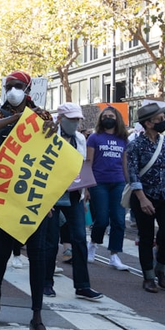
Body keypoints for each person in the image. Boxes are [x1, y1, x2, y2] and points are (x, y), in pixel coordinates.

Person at [0, 70, 56, 330]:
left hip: (33, 194)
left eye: (17, 86)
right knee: (3, 252)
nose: (13, 90)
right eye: (8, 86)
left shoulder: (42, 114)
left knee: (38, 254)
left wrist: (49, 197)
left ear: (28, 87)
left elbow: (51, 153)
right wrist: (14, 118)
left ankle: (37, 317)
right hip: (6, 192)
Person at [44, 104, 104, 301]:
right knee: (51, 241)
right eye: (72, 119)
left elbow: (83, 166)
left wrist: (85, 191)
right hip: (51, 196)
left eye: (78, 120)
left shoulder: (80, 138)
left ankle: (82, 286)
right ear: (59, 119)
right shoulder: (47, 136)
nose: (76, 123)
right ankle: (46, 283)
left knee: (79, 239)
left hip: (74, 195)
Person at [126, 103, 165, 292]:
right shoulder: (135, 145)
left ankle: (161, 269)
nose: (163, 122)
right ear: (148, 123)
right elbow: (132, 174)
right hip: (145, 197)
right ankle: (148, 276)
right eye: (160, 119)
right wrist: (142, 199)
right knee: (146, 236)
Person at [86, 106, 130, 270]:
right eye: (105, 116)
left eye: (111, 115)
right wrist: (87, 187)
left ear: (117, 118)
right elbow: (88, 163)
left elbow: (125, 163)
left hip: (118, 182)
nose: (108, 118)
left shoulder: (123, 139)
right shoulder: (94, 138)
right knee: (102, 219)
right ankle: (93, 244)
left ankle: (114, 255)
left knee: (119, 220)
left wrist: (128, 184)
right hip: (99, 183)